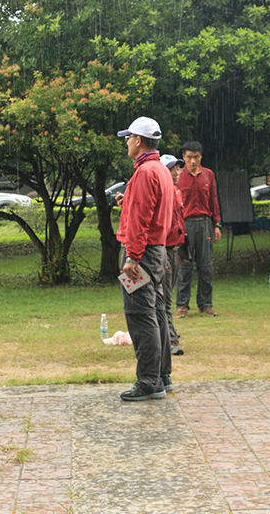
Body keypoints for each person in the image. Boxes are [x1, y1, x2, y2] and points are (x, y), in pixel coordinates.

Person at [114, 117, 173, 401]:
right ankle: (162, 375)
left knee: (140, 314)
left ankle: (149, 382)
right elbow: (153, 210)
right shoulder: (160, 169)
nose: (127, 142)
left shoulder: (143, 172)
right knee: (157, 312)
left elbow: (140, 220)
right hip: (157, 250)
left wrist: (132, 257)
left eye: (128, 138)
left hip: (141, 253)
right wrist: (128, 202)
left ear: (139, 140)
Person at [176, 140, 222, 317]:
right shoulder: (178, 176)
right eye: (189, 157)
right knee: (184, 266)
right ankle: (182, 305)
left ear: (201, 157)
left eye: (196, 157)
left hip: (205, 223)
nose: (193, 161)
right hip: (185, 224)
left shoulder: (208, 175)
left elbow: (214, 199)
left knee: (206, 266)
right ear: (183, 157)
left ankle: (205, 304)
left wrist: (216, 224)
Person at [159, 154, 185, 357]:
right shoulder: (160, 194)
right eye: (171, 169)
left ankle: (165, 332)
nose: (176, 172)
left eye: (177, 168)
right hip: (163, 250)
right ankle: (170, 338)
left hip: (175, 250)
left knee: (168, 296)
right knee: (164, 298)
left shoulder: (177, 192)